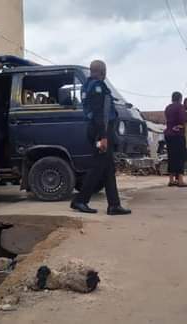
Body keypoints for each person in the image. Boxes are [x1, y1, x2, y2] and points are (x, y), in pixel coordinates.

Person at [70, 60, 131, 216]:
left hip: (98, 129)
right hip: (100, 131)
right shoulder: (98, 86)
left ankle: (114, 205)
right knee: (98, 167)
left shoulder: (87, 86)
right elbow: (99, 114)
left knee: (108, 168)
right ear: (103, 72)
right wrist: (103, 137)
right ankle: (80, 201)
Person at [165, 92, 187, 187]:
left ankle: (171, 180)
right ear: (180, 99)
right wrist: (181, 124)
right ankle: (180, 180)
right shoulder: (180, 107)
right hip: (178, 134)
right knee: (180, 157)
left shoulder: (168, 107)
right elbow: (184, 118)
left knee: (171, 157)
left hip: (168, 134)